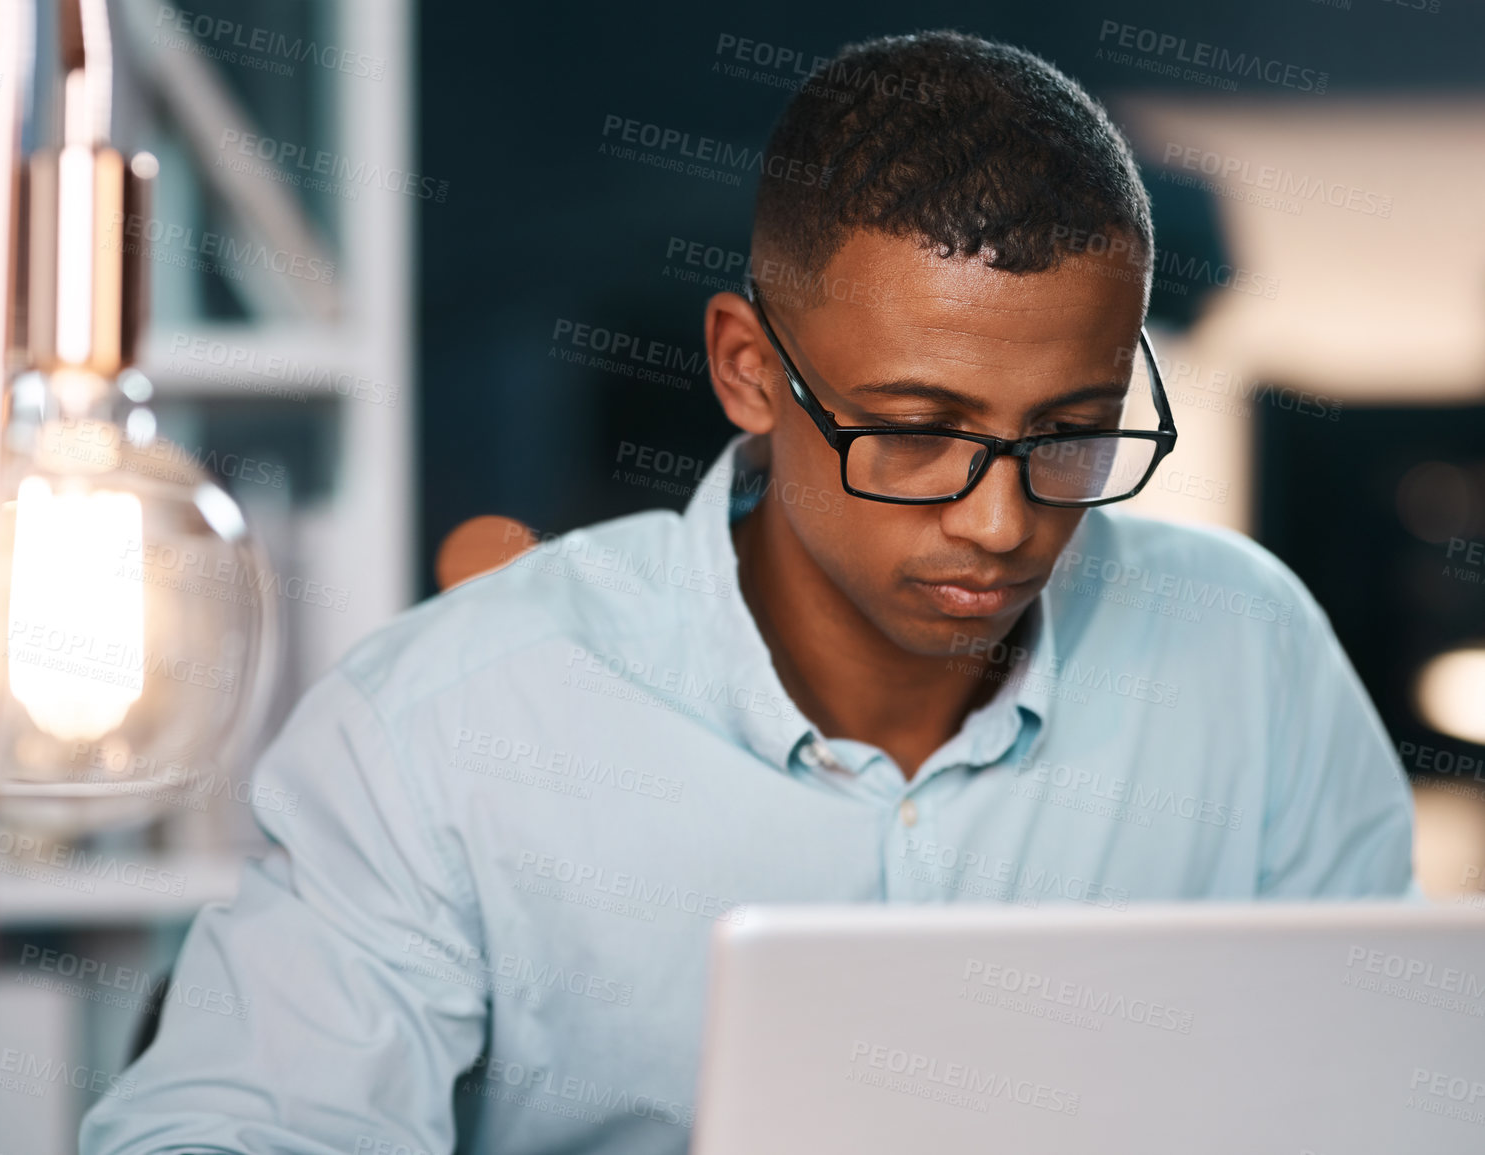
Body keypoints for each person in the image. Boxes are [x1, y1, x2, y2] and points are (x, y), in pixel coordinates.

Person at [81, 30, 1415, 1155]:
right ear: (746, 370)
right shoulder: (447, 724)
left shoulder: (1251, 656)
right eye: (914, 430)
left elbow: (1383, 1098)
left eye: (1070, 433)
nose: (1002, 521)